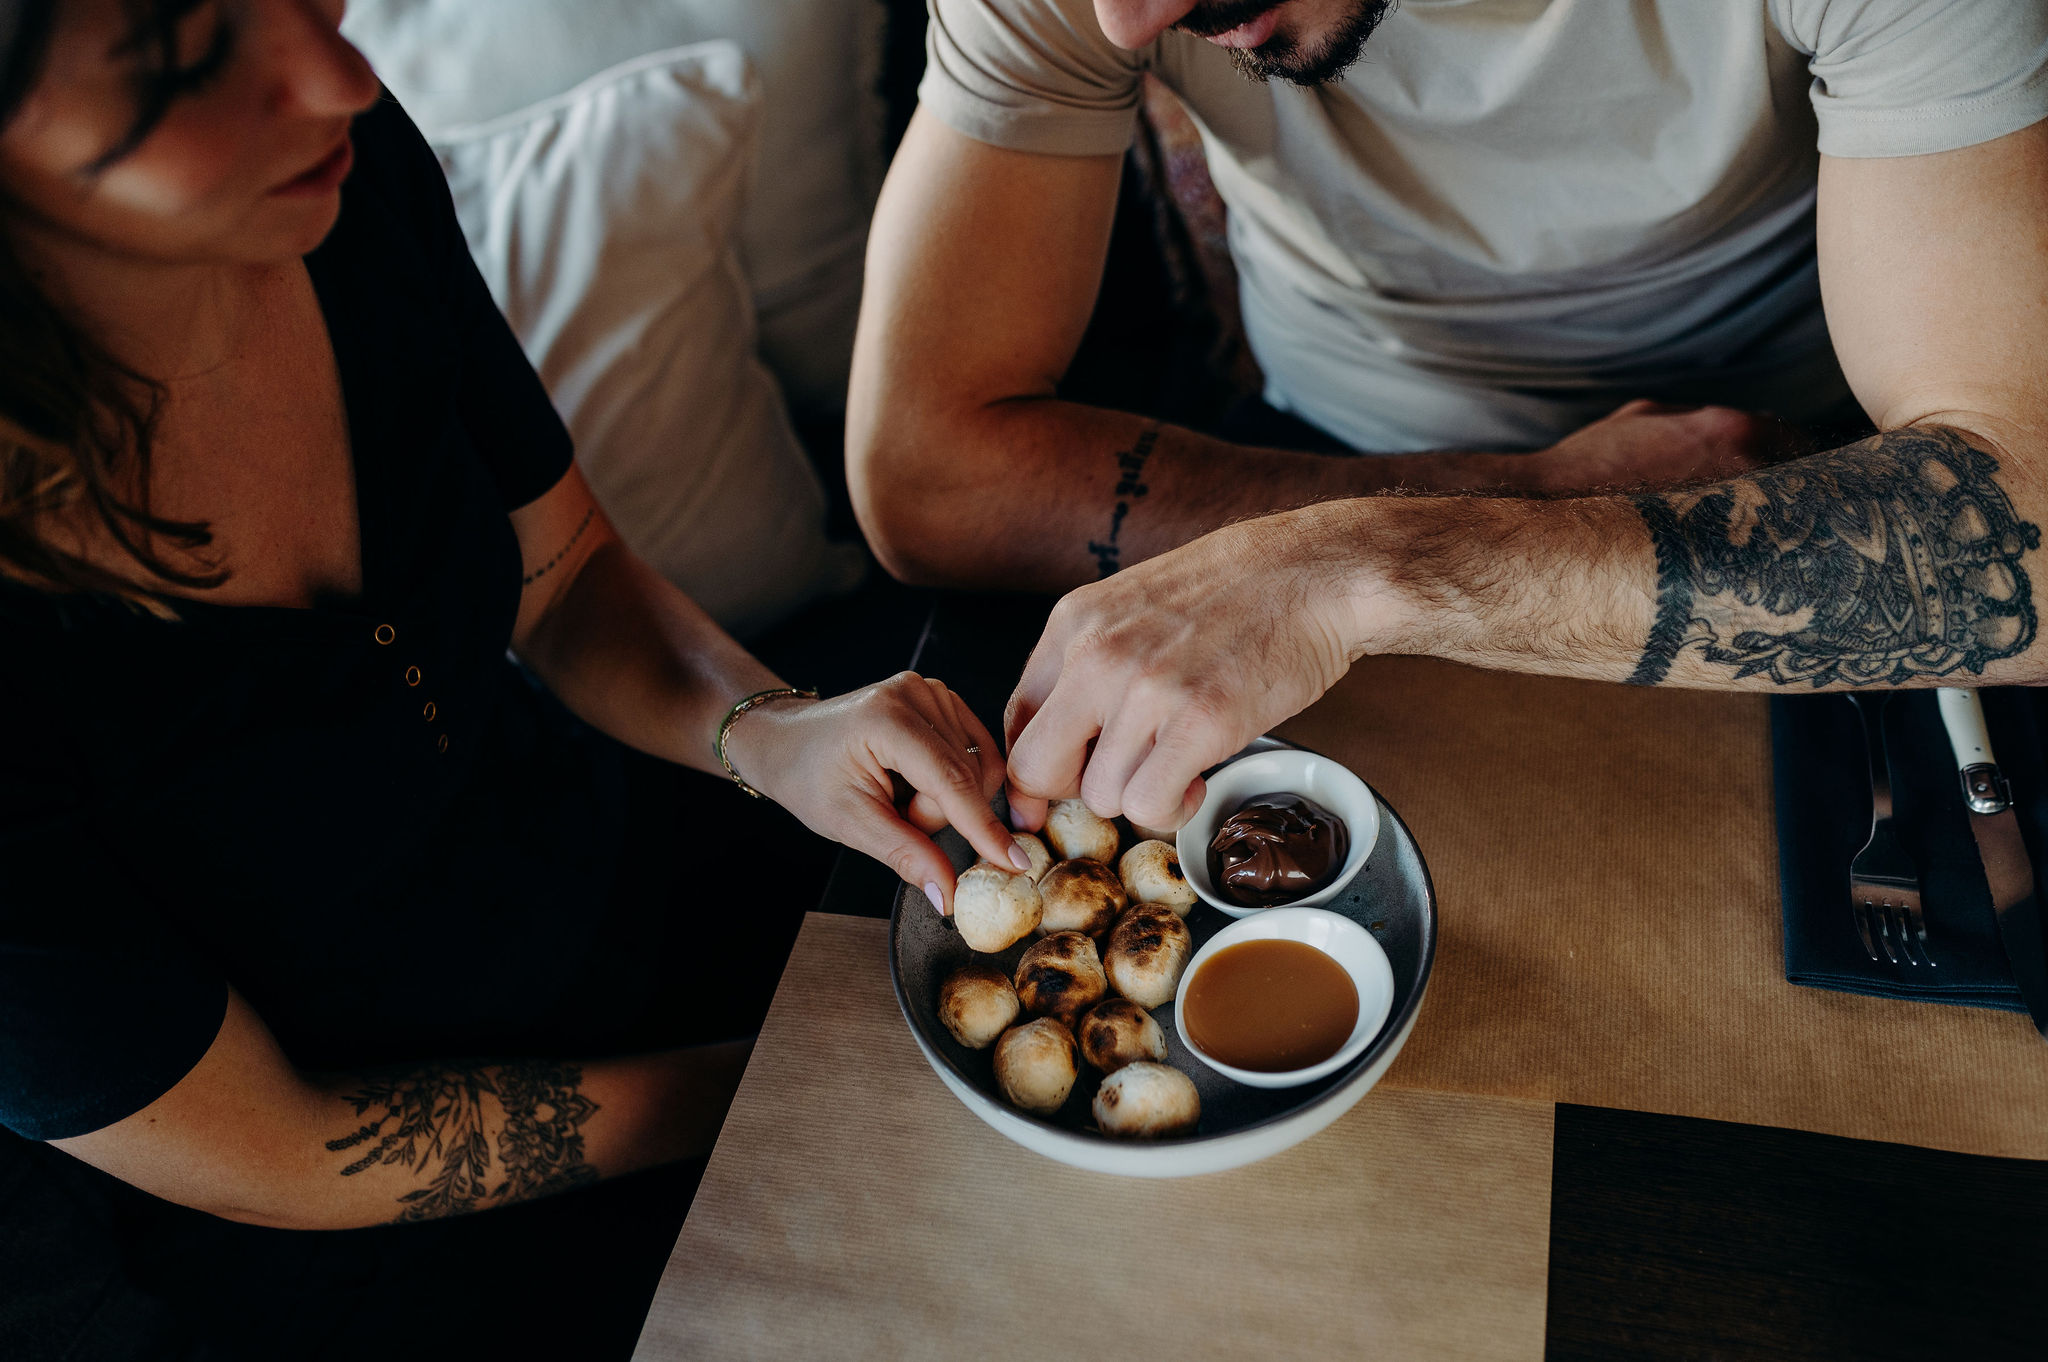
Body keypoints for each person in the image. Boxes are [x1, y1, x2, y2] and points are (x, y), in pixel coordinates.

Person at [0, 0, 1034, 1349]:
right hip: (387, 1237)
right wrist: (778, 1089)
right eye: (185, 60)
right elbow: (291, 1148)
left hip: (628, 890)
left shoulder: (342, 183)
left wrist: (775, 730)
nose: (340, 77)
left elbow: (564, 577)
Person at [842, 0, 2048, 829]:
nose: (1122, 20)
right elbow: (928, 479)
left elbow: (2029, 532)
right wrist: (1495, 502)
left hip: (1807, 478)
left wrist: (1373, 560)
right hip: (1297, 469)